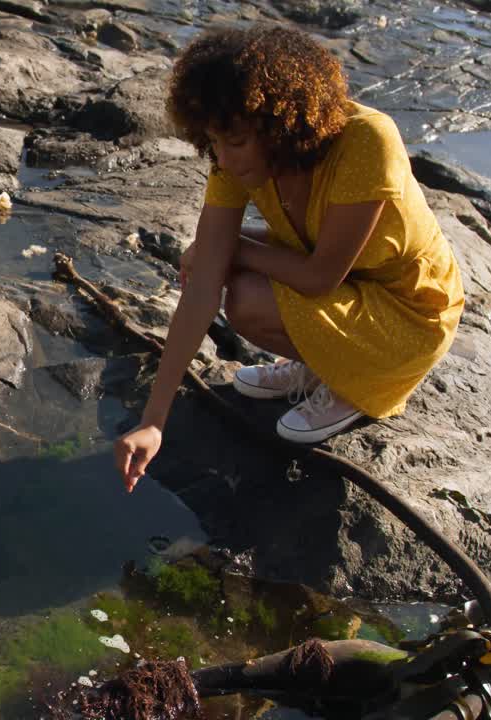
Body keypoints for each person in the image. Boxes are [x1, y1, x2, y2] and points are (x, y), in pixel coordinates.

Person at [114, 25, 464, 490]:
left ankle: (353, 387)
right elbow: (202, 288)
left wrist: (232, 247)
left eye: (235, 142)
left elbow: (320, 276)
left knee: (241, 283)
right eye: (213, 142)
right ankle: (325, 363)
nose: (224, 158)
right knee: (236, 292)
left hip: (411, 314)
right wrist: (154, 419)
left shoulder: (366, 141)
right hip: (353, 287)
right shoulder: (234, 154)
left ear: (283, 124)